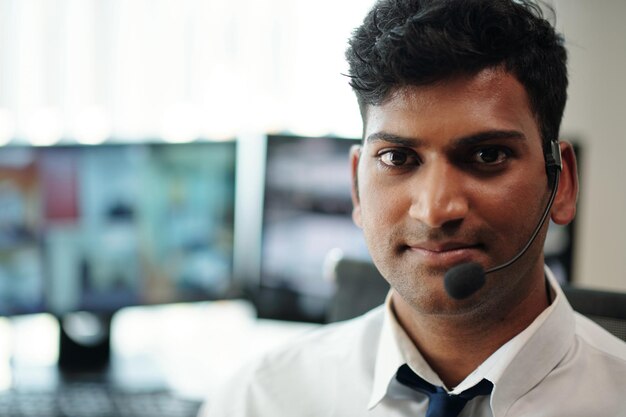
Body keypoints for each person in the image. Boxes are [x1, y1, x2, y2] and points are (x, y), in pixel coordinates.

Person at [201, 0, 626, 416]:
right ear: (355, 186)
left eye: (487, 156)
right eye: (398, 158)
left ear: (563, 182)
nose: (436, 211)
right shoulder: (256, 400)